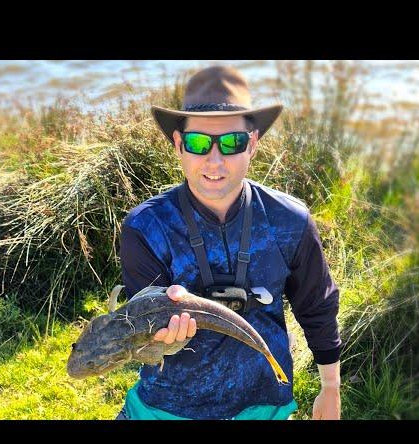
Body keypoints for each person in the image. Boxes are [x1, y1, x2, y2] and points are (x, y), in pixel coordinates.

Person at [115, 65, 341, 420]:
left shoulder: (290, 221)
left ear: (252, 144)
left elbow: (318, 306)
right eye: (198, 142)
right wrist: (164, 341)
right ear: (178, 144)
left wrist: (330, 388)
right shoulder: (145, 228)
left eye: (232, 143)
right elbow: (141, 335)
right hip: (166, 407)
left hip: (262, 403)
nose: (214, 160)